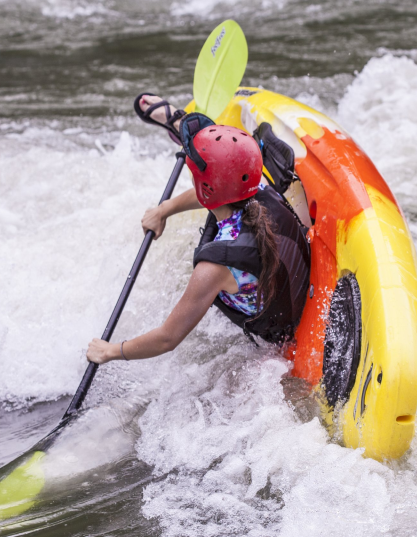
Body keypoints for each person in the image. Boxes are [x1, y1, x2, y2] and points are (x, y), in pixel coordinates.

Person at [86, 94, 310, 365]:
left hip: (277, 329)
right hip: (289, 288)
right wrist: (164, 210)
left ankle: (180, 123)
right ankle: (179, 122)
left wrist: (111, 351)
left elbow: (168, 338)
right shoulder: (258, 188)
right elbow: (212, 191)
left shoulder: (215, 267)